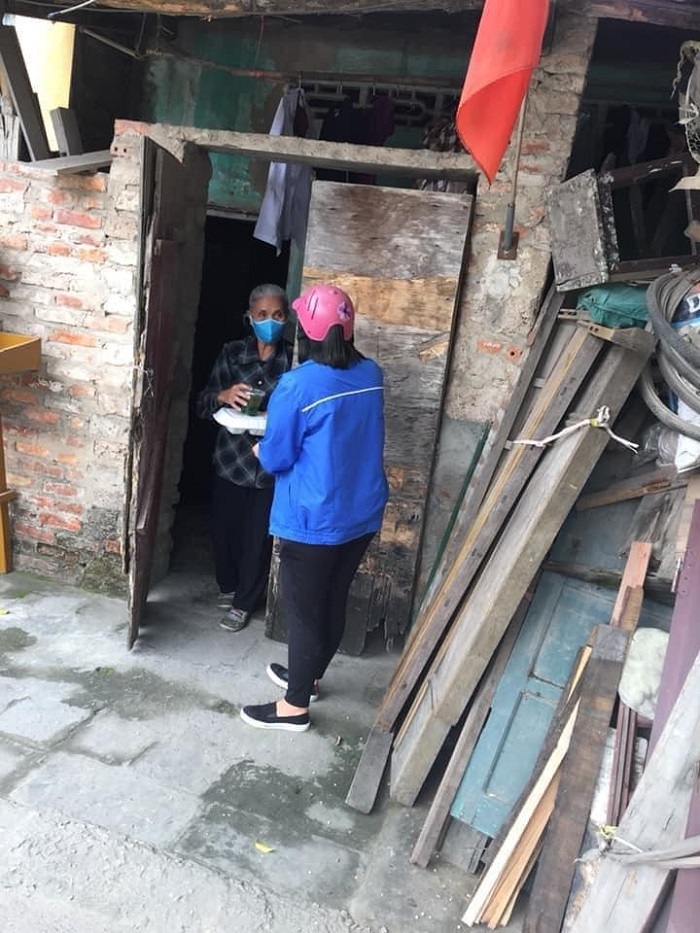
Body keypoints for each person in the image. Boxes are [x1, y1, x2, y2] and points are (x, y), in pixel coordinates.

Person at [240, 284, 389, 732]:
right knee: (333, 597)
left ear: (305, 331)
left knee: (304, 612)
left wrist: (259, 450)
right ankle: (310, 676)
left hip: (313, 518)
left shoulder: (297, 385)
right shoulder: (371, 373)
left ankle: (294, 707)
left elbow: (278, 457)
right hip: (361, 512)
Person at [196, 283, 292, 632]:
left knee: (258, 540)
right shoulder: (232, 353)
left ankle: (243, 603)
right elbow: (203, 404)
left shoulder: (294, 362)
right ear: (249, 318)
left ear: (287, 318)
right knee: (225, 532)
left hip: (269, 468)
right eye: (262, 315)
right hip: (231, 461)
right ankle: (228, 586)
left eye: (277, 315)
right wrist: (223, 395)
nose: (270, 322)